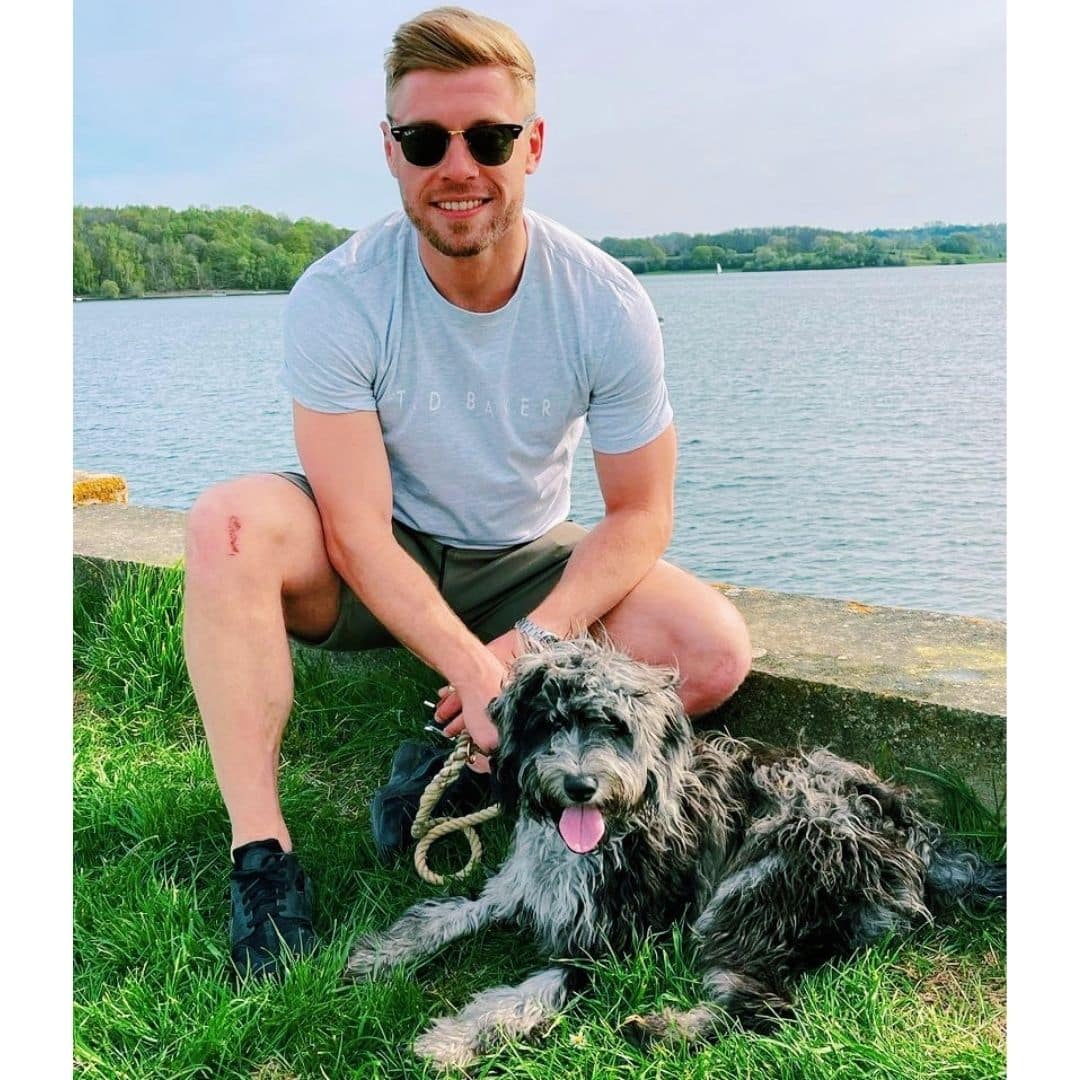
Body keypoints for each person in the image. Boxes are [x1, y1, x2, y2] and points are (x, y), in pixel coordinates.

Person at [183, 5, 753, 981]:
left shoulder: (605, 301)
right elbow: (357, 532)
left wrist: (526, 643)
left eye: (488, 137)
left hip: (520, 559)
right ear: (391, 150)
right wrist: (479, 671)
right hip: (379, 551)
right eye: (425, 139)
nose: (458, 166)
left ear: (531, 145)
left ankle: (462, 761)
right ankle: (263, 857)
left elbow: (641, 513)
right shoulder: (341, 294)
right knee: (227, 522)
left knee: (712, 651)